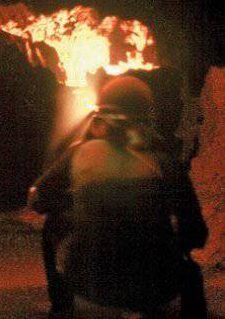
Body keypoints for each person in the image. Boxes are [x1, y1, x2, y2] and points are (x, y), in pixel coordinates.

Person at [29, 76, 208, 318]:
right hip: (159, 286)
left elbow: (38, 200)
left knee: (53, 224)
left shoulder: (79, 154)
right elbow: (197, 234)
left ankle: (61, 310)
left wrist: (86, 202)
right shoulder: (165, 163)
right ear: (147, 117)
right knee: (189, 269)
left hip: (90, 282)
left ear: (100, 118)